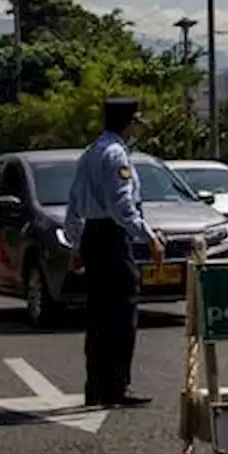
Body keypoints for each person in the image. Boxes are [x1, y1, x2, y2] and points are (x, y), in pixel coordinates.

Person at [63, 97, 164, 408]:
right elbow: (121, 206)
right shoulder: (116, 154)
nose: (140, 126)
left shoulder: (92, 152)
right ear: (128, 122)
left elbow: (75, 202)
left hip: (93, 236)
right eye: (137, 120)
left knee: (97, 318)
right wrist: (149, 237)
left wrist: (77, 244)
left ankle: (96, 387)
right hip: (111, 237)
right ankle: (117, 387)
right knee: (121, 315)